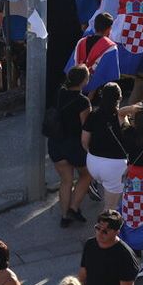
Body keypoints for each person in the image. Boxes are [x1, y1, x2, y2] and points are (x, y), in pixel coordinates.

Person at [49, 66, 92, 227]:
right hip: (74, 145)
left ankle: (64, 216)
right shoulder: (83, 102)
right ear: (84, 81)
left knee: (66, 180)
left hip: (56, 143)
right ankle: (73, 208)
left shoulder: (59, 93)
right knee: (86, 175)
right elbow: (86, 126)